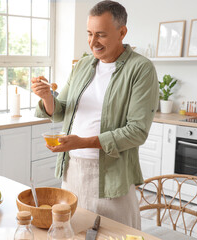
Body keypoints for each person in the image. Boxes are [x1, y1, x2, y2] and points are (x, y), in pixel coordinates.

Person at [31, 0, 159, 229]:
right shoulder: (83, 65)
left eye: (100, 34)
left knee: (116, 233)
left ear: (122, 32)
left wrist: (83, 143)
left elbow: (137, 132)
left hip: (113, 173)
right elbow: (61, 110)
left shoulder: (140, 69)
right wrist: (47, 97)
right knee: (73, 231)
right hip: (73, 170)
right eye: (89, 34)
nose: (92, 42)